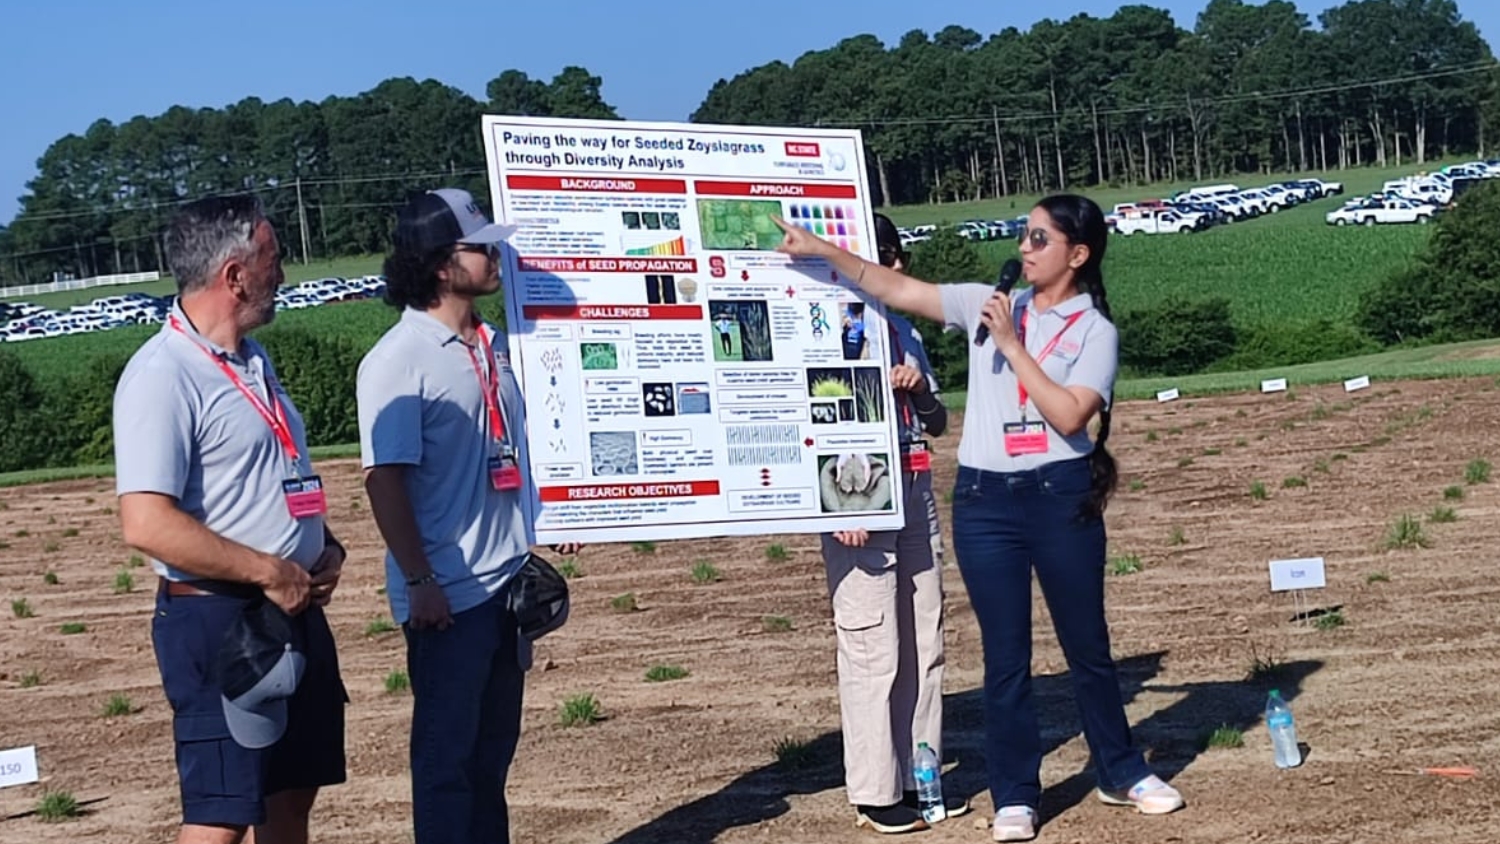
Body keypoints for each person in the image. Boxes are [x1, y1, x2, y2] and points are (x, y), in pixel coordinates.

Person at [775, 196, 1184, 842]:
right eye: (1023, 236)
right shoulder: (983, 303)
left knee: (1088, 647)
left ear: (1077, 255)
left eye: (1040, 239)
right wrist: (821, 250)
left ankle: (1121, 770)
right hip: (985, 502)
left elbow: (1070, 416)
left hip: (1059, 493)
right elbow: (894, 285)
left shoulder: (1093, 331)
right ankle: (1016, 792)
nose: (1024, 249)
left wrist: (1012, 343)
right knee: (1006, 657)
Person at [114, 194, 348, 844]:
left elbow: (259, 480)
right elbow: (147, 523)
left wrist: (321, 546)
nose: (285, 271)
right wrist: (270, 569)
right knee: (221, 814)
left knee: (289, 797)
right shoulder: (163, 376)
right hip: (220, 618)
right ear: (234, 274)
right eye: (273, 255)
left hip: (288, 606)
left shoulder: (252, 363)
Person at [357, 187, 577, 844]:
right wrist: (420, 581)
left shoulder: (496, 346)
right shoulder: (396, 362)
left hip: (507, 585)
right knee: (446, 766)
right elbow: (384, 482)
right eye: (480, 246)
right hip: (448, 599)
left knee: (490, 762)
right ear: (438, 264)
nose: (495, 255)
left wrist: (553, 516)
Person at [820, 213, 967, 834]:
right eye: (885, 255)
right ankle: (875, 788)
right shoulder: (829, 329)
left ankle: (920, 775)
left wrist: (921, 393)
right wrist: (843, 505)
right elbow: (815, 418)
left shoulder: (904, 328)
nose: (898, 266)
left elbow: (935, 424)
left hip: (914, 487)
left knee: (925, 640)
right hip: (856, 496)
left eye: (898, 254)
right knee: (871, 644)